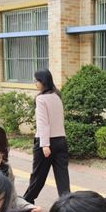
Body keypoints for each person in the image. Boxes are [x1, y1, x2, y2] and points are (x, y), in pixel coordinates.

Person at [23, 69, 70, 203]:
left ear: (43, 81)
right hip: (61, 141)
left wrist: (44, 144)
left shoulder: (41, 98)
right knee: (62, 177)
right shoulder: (57, 96)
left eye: (36, 80)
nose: (35, 83)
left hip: (46, 143)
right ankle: (68, 203)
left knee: (38, 176)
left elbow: (43, 123)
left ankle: (27, 200)